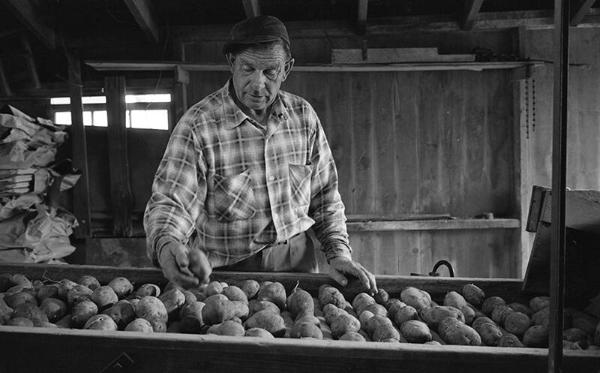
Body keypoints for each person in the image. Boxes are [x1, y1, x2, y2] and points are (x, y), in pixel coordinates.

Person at [144, 15, 377, 293]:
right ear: (232, 62)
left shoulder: (303, 117)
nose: (257, 83)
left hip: (299, 269)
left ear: (287, 69)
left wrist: (338, 254)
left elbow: (325, 198)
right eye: (248, 68)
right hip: (227, 279)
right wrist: (167, 242)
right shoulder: (199, 125)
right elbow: (172, 201)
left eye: (270, 72)